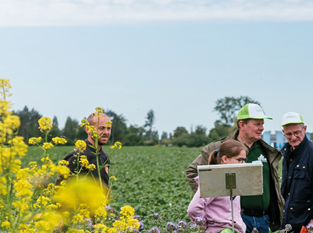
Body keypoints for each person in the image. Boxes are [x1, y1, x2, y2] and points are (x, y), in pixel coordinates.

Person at [186, 103, 284, 233]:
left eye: (262, 124)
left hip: (263, 219)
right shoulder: (221, 148)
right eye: (257, 124)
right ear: (242, 124)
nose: (262, 128)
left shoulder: (266, 150)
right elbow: (192, 172)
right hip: (235, 218)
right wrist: (209, 202)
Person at [187, 139, 248, 233]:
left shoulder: (232, 179)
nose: (243, 163)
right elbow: (193, 208)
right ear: (224, 159)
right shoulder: (213, 181)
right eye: (239, 160)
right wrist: (204, 225)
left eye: (244, 160)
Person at [56, 113, 111, 187]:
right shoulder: (77, 156)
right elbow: (59, 191)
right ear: (87, 129)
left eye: (108, 128)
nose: (106, 132)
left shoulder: (104, 156)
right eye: (101, 128)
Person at [280, 112, 313, 233]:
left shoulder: (311, 152)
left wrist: (311, 223)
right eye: (289, 134)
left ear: (304, 129)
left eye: (297, 132)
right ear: (283, 132)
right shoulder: (287, 153)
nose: (293, 137)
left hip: (307, 223)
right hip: (289, 222)